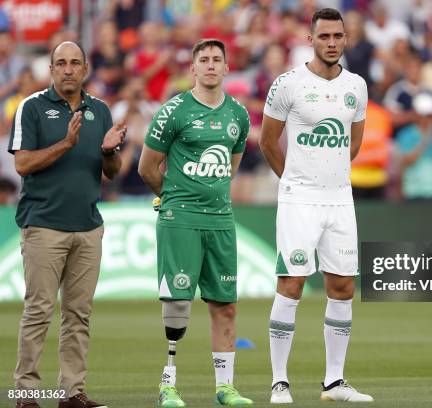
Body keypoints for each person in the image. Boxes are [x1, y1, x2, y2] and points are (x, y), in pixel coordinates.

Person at [259, 8, 373, 404]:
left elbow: (353, 143)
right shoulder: (288, 84)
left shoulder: (356, 86)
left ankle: (334, 382)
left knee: (342, 287)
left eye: (337, 36)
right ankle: (279, 381)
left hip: (340, 198)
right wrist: (292, 180)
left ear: (346, 39)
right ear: (311, 39)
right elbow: (268, 141)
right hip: (299, 199)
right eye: (323, 36)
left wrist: (330, 174)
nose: (331, 43)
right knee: (291, 284)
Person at [8, 41, 126, 408]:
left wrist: (108, 152)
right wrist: (66, 144)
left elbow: (111, 173)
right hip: (43, 224)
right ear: (52, 70)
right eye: (61, 63)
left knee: (78, 314)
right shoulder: (32, 107)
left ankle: (71, 392)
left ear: (86, 68)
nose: (68, 69)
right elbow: (22, 164)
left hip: (88, 226)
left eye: (75, 63)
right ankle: (26, 394)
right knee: (39, 310)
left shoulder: (100, 111)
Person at [137, 39, 253, 407]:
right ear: (193, 68)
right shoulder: (173, 111)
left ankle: (226, 388)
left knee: (225, 305)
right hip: (180, 219)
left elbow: (230, 168)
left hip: (221, 220)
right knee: (179, 303)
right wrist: (172, 198)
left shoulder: (239, 114)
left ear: (226, 67)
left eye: (217, 59)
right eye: (203, 59)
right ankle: (168, 386)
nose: (210, 65)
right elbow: (147, 167)